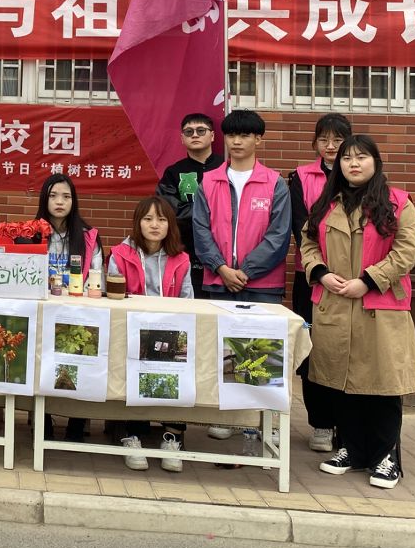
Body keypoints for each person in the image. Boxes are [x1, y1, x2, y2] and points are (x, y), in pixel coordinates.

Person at [302, 135, 415, 490]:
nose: (353, 164)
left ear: (375, 162)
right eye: (346, 158)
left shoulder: (398, 203)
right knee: (343, 382)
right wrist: (320, 272)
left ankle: (386, 457)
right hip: (336, 303)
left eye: (361, 157)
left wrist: (368, 280)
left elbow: (406, 251)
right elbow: (308, 242)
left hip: (379, 306)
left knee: (384, 385)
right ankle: (352, 450)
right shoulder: (327, 204)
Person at [191, 108, 291, 452]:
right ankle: (226, 415)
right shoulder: (209, 181)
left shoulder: (275, 183)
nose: (237, 141)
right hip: (218, 281)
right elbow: (200, 230)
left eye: (245, 135)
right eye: (232, 135)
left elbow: (279, 236)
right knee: (224, 349)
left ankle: (260, 421)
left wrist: (246, 271)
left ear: (258, 139)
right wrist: (221, 268)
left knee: (260, 351)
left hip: (261, 284)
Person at [106, 195, 193, 471]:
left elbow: (188, 302)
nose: (155, 225)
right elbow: (113, 298)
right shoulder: (120, 255)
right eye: (148, 219)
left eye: (162, 219)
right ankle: (133, 436)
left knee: (181, 367)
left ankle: (172, 438)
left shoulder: (181, 259)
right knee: (132, 367)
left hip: (170, 332)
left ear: (170, 225)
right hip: (132, 332)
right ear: (138, 223)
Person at [288, 113, 352, 454]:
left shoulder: (358, 175)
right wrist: (322, 269)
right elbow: (301, 225)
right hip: (311, 276)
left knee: (345, 350)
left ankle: (347, 423)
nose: (330, 146)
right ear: (315, 143)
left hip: (351, 280)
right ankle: (321, 424)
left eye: (338, 140)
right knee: (312, 350)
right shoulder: (300, 177)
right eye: (324, 139)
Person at [35, 173, 104, 442]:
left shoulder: (88, 237)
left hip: (78, 312)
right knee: (41, 363)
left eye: (66, 196)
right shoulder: (31, 233)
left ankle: (77, 422)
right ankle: (43, 421)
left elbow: (97, 279)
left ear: (74, 201)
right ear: (44, 199)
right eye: (53, 196)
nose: (59, 202)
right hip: (43, 312)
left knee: (81, 361)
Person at [155, 112, 225, 300]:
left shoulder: (227, 168)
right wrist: (210, 212)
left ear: (212, 136)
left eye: (201, 130)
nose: (195, 135)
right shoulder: (173, 172)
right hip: (185, 253)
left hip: (225, 256)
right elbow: (169, 211)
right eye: (189, 132)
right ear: (182, 138)